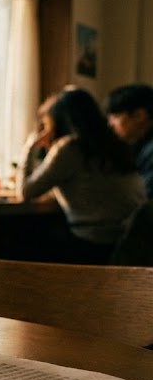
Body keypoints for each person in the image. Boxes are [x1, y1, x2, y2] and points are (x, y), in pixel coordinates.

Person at [19, 87, 146, 264]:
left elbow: (25, 192)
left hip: (92, 243)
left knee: (22, 240)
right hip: (129, 243)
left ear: (58, 122)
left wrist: (29, 147)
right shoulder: (115, 144)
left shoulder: (70, 148)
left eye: (47, 125)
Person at [105, 83, 153, 197]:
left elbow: (140, 198)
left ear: (139, 115)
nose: (110, 124)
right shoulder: (137, 145)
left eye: (115, 116)